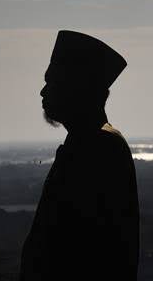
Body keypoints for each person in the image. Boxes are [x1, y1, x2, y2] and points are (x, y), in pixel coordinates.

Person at [20, 30, 139, 281]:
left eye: (52, 83)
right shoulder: (90, 143)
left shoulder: (100, 148)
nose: (43, 92)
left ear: (77, 90)